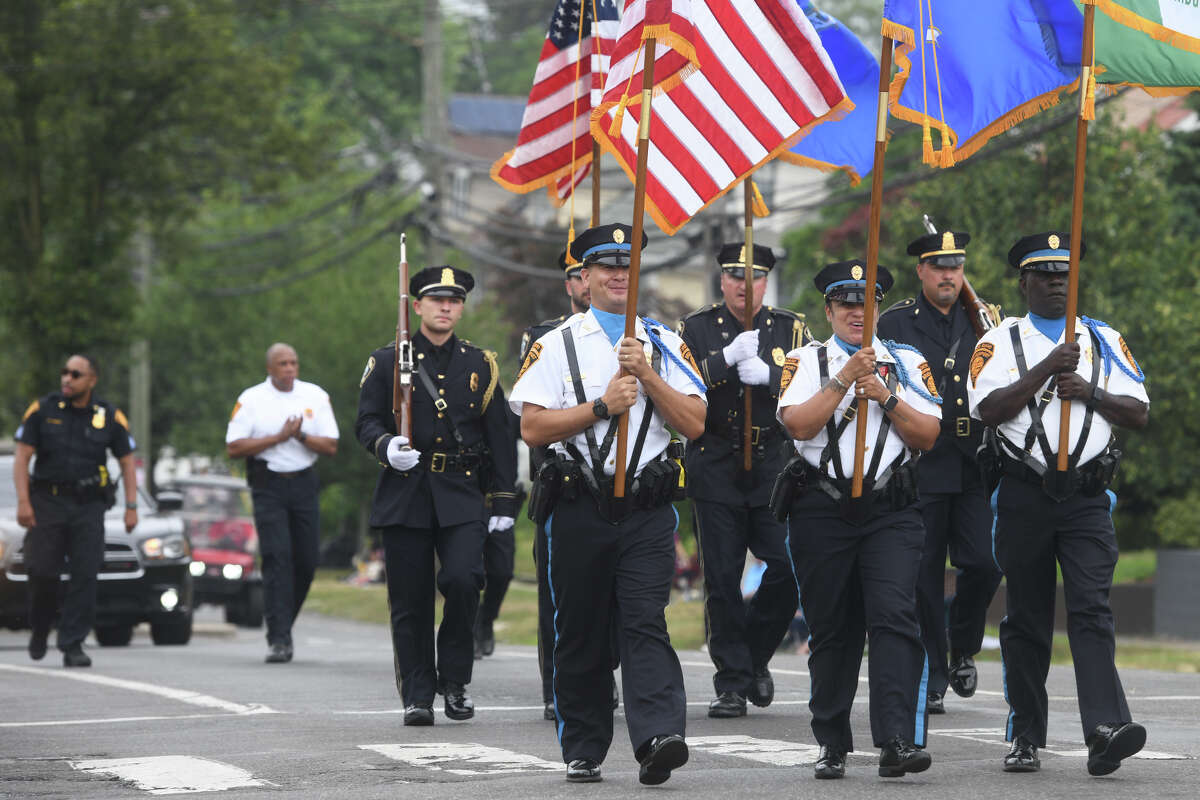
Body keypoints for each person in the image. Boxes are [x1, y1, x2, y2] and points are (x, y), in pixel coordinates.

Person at [510, 223, 706, 785]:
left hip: (646, 506)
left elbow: (695, 421)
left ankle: (657, 737)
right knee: (582, 628)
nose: (619, 276)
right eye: (607, 267)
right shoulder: (555, 344)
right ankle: (584, 744)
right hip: (579, 505)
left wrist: (647, 374)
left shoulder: (665, 341)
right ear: (586, 278)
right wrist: (600, 407)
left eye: (629, 267)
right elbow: (532, 427)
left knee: (645, 621)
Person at [968, 232, 1149, 776]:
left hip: (1087, 498)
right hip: (1025, 492)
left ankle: (1105, 729)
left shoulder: (1104, 338)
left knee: (1092, 608)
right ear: (1023, 282)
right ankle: (1025, 734)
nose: (1056, 283)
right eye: (1044, 274)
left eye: (1064, 274)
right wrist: (1046, 368)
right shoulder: (998, 342)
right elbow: (989, 409)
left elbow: (1138, 412)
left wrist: (1088, 390)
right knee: (1026, 618)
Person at [776, 260, 942, 780]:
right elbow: (798, 425)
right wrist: (845, 380)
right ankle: (831, 740)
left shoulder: (909, 361)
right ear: (828, 310)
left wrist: (885, 395)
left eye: (866, 303)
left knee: (894, 616)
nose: (856, 312)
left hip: (890, 509)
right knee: (833, 630)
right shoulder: (806, 359)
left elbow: (928, 436)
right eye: (846, 303)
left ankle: (896, 738)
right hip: (821, 509)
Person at [355, 265, 517, 726]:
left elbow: (499, 434)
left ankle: (456, 680)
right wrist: (386, 446)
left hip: (462, 492)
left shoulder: (479, 363)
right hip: (406, 491)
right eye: (437, 299)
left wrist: (503, 500)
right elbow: (366, 420)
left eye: (455, 300)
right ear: (418, 306)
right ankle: (418, 693)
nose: (446, 307)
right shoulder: (389, 361)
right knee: (410, 599)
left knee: (465, 581)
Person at [677, 242, 807, 718]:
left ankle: (753, 656)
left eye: (754, 278)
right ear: (722, 281)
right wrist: (724, 360)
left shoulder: (791, 329)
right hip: (716, 461)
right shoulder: (696, 328)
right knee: (723, 580)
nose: (744, 286)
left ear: (765, 282)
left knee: (790, 566)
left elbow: (808, 384)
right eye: (735, 277)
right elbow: (679, 384)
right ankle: (731, 682)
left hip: (772, 460)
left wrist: (770, 376)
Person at [877, 230, 1003, 714]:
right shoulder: (896, 323)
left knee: (984, 564)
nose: (949, 274)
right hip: (922, 465)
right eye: (939, 266)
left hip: (972, 464)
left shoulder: (984, 319)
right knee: (923, 577)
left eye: (956, 266)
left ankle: (963, 645)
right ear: (922, 271)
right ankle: (932, 671)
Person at [512, 248, 608, 721]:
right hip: (563, 480)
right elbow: (533, 419)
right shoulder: (544, 338)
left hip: (615, 483)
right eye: (577, 276)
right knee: (560, 594)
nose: (586, 284)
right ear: (572, 282)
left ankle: (602, 674)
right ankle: (557, 687)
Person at [13, 354, 139, 667]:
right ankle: (40, 627)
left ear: (91, 380)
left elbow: (126, 461)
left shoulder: (108, 415)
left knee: (85, 573)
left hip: (89, 506)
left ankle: (72, 643)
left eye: (76, 374)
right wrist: (23, 501)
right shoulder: (42, 410)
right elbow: (22, 457)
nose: (67, 379)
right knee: (42, 571)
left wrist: (132, 506)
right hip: (48, 503)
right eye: (64, 372)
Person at [226, 343, 339, 664]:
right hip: (268, 483)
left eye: (294, 363)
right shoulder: (251, 400)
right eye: (282, 364)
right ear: (270, 368)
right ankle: (279, 638)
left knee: (306, 560)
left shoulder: (314, 396)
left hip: (303, 481)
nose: (290, 368)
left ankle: (282, 622)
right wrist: (277, 437)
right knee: (277, 557)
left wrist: (300, 436)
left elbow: (330, 445)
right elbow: (234, 447)